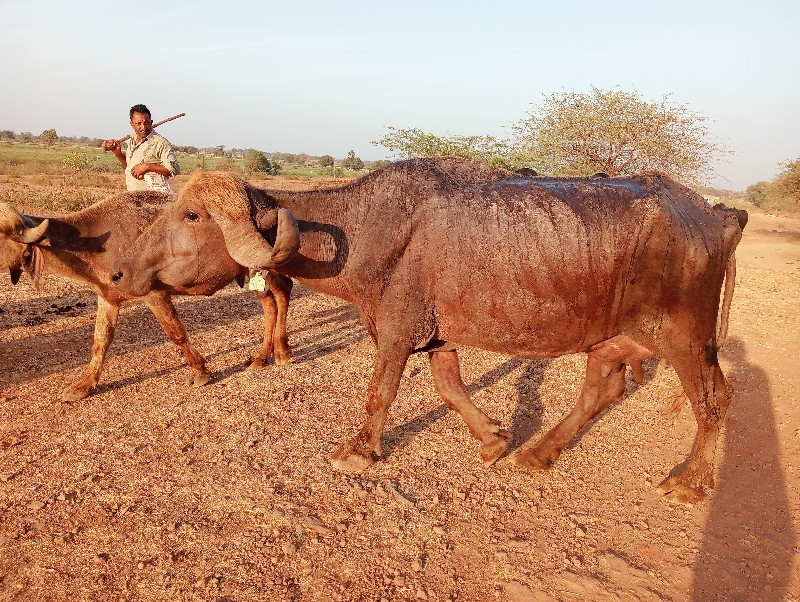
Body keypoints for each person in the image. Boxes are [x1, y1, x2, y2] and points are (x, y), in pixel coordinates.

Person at [102, 104, 180, 193]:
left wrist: (147, 166)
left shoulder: (160, 143)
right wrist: (118, 153)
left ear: (151, 122)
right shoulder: (132, 140)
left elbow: (174, 169)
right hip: (133, 197)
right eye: (138, 123)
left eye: (146, 123)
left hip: (155, 200)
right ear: (131, 123)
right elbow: (130, 167)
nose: (143, 127)